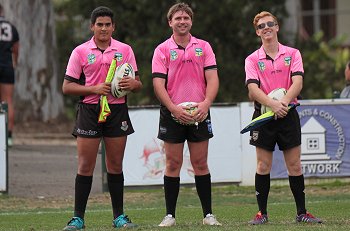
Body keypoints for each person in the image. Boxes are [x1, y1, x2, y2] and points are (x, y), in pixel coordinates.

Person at [62, 6, 142, 230]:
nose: (104, 28)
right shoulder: (80, 51)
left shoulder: (125, 50)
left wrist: (132, 85)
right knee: (85, 165)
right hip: (89, 111)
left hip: (116, 111)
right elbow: (67, 87)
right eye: (100, 24)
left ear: (113, 27)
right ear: (92, 27)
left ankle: (119, 217)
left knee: (115, 165)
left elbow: (138, 83)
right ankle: (78, 218)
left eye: (108, 24)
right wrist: (94, 89)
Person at [244, 11, 322, 225]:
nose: (266, 27)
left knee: (295, 165)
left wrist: (283, 103)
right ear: (257, 31)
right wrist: (272, 105)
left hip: (288, 113)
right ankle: (262, 214)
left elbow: (297, 83)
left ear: (277, 27)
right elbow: (253, 88)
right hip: (264, 116)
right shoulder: (252, 59)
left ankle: (302, 213)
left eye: (270, 24)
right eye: (261, 26)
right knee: (263, 166)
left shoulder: (293, 53)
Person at [152, 2, 221, 227]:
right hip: (172, 113)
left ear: (191, 21)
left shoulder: (204, 46)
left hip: (200, 113)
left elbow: (212, 79)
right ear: (170, 22)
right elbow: (158, 84)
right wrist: (173, 108)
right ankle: (170, 215)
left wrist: (206, 104)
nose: (182, 21)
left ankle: (208, 215)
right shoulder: (162, 49)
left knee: (200, 163)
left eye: (186, 18)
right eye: (178, 18)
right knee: (173, 163)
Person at [0, 4, 19, 147]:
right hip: (7, 66)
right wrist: (15, 63)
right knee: (8, 100)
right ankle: (9, 136)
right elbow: (16, 49)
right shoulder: (11, 27)